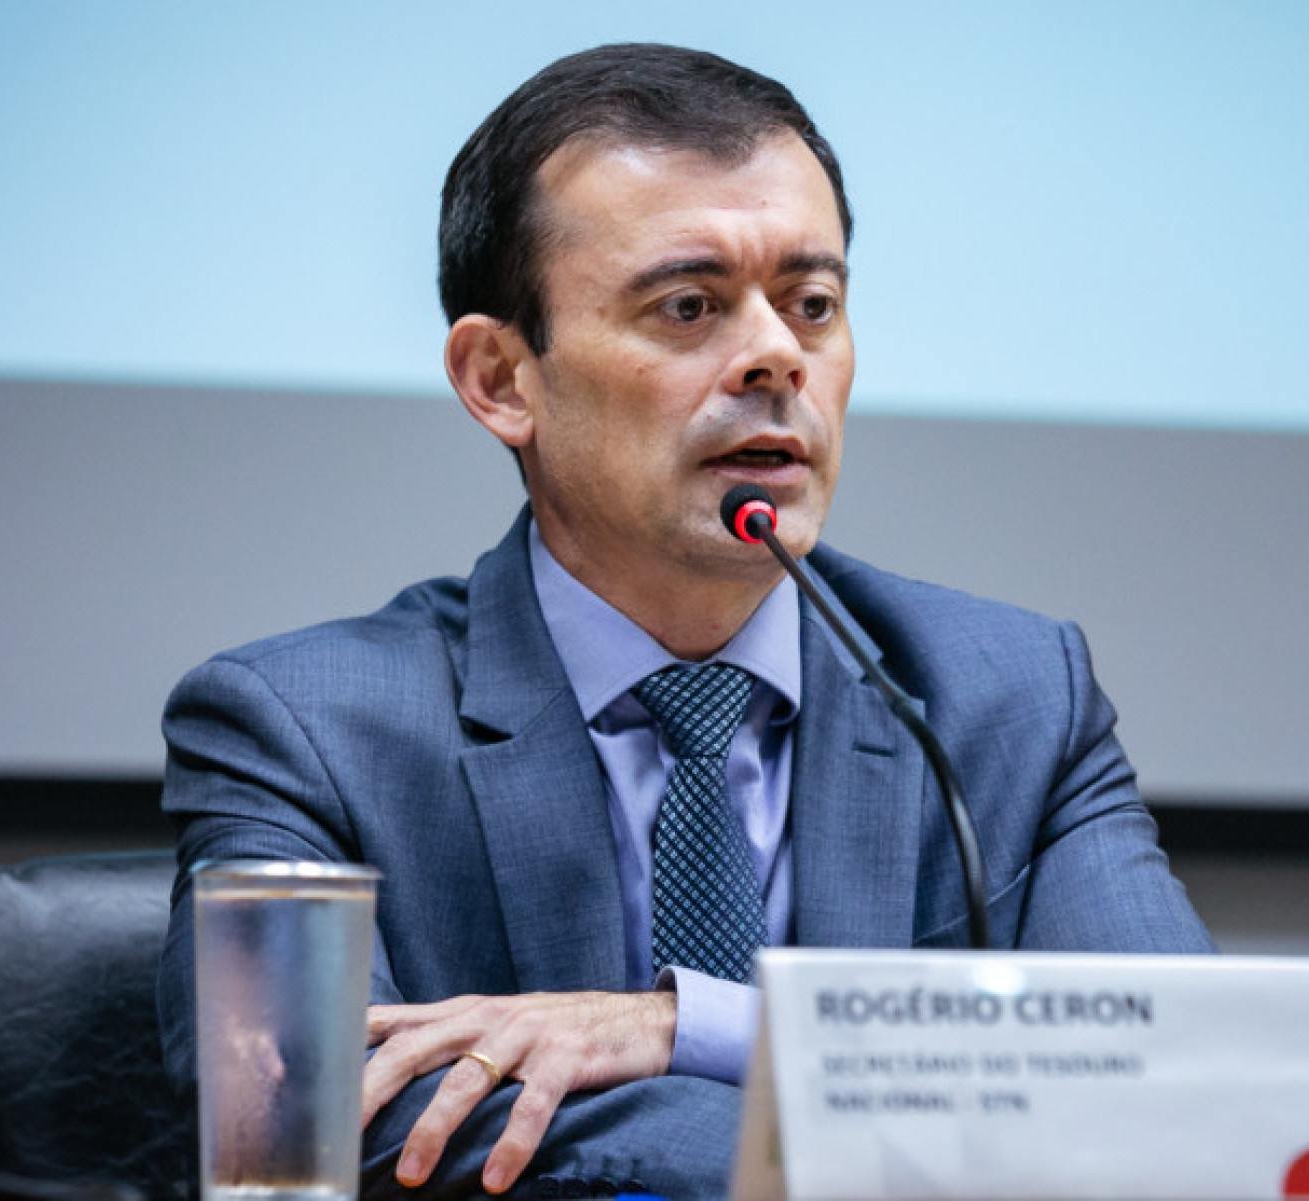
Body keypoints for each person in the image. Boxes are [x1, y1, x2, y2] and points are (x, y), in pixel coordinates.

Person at [157, 42, 1214, 1200]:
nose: (775, 357)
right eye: (688, 306)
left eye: (813, 306)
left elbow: (1174, 1084)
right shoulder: (303, 730)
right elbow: (288, 1115)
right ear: (501, 378)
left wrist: (683, 1026)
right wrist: (908, 1110)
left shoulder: (1008, 702)